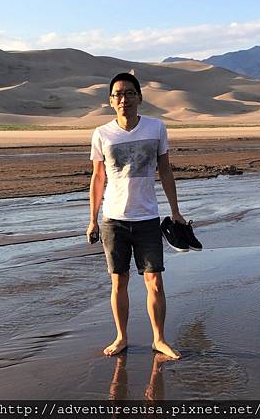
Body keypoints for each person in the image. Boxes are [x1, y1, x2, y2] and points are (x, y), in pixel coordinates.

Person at [87, 72, 184, 360]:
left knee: (155, 281)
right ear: (110, 101)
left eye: (129, 93)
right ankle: (121, 337)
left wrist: (176, 211)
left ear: (139, 98)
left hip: (147, 218)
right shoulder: (102, 134)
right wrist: (92, 219)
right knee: (119, 281)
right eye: (118, 94)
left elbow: (165, 170)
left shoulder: (156, 128)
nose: (124, 99)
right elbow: (98, 178)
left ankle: (159, 339)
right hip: (113, 219)